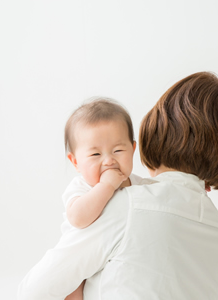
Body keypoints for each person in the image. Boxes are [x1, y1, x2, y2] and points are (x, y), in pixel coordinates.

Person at [17, 71, 218, 300]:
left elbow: (35, 290)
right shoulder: (217, 230)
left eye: (118, 149)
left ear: (159, 129)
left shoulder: (126, 204)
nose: (109, 160)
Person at [61, 98, 145, 299]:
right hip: (81, 257)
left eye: (118, 150)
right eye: (95, 154)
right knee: (69, 287)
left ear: (133, 150)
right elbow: (78, 218)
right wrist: (106, 186)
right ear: (75, 162)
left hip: (119, 256)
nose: (108, 160)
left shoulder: (140, 185)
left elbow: (162, 196)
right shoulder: (81, 187)